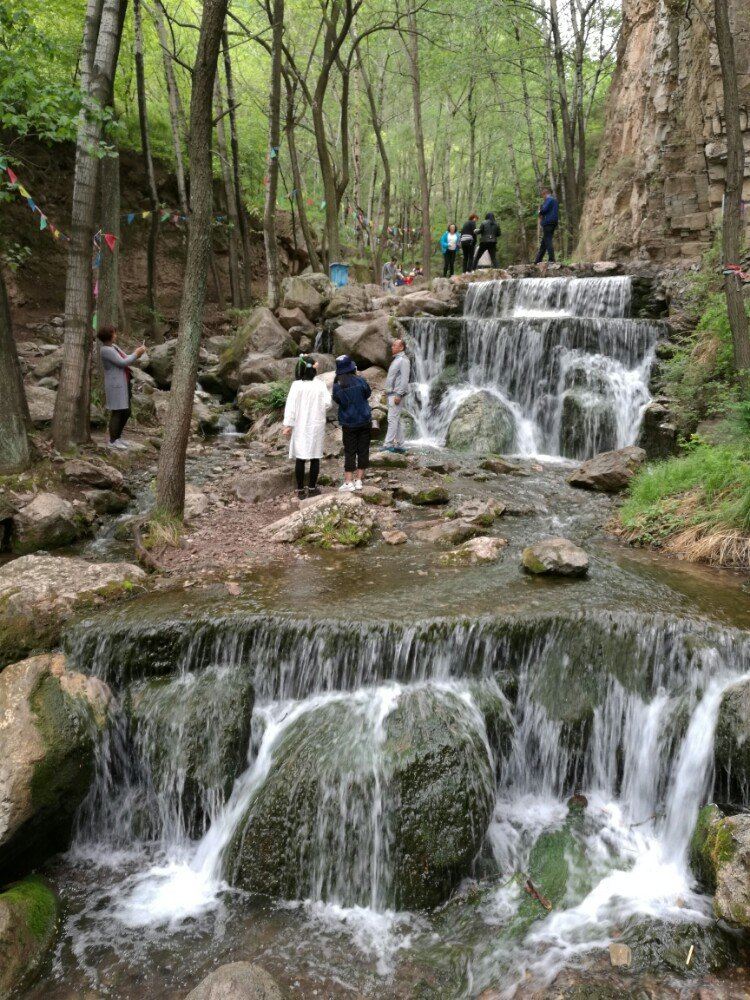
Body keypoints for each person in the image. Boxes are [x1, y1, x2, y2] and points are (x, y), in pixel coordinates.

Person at [282, 355, 331, 499]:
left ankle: (300, 490)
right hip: (316, 424)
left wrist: (288, 425)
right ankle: (312, 488)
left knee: (301, 457)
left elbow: (290, 406)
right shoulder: (320, 385)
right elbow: (328, 404)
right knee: (315, 456)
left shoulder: (296, 385)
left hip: (300, 425)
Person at [98, 326, 146, 450]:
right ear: (109, 335)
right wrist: (136, 353)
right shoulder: (105, 350)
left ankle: (118, 437)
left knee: (126, 411)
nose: (116, 335)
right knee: (118, 411)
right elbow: (123, 363)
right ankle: (113, 440)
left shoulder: (114, 347)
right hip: (115, 385)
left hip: (124, 382)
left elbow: (125, 357)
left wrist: (138, 353)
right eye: (114, 333)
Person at [332, 355, 372, 493]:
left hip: (348, 423)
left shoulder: (337, 386)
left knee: (349, 451)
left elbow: (338, 400)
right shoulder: (361, 380)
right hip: (364, 420)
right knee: (363, 450)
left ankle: (348, 482)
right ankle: (359, 480)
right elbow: (368, 394)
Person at [383, 338, 411, 454]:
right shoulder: (397, 360)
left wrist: (399, 394)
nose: (392, 347)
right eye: (392, 345)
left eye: (395, 345)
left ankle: (388, 444)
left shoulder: (403, 360)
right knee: (397, 420)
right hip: (392, 393)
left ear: (401, 347)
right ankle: (400, 444)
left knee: (392, 419)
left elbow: (404, 379)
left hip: (396, 394)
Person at [535, 187, 559, 263]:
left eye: (543, 196)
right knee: (544, 242)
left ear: (545, 194)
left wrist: (539, 212)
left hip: (548, 222)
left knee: (547, 240)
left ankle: (551, 259)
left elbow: (544, 210)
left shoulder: (549, 200)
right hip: (553, 222)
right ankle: (538, 260)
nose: (543, 198)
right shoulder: (554, 201)